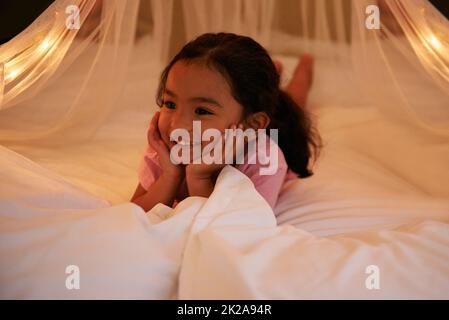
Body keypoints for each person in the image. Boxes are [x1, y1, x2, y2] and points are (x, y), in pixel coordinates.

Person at [131, 32, 320, 213]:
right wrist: (170, 176)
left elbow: (234, 228)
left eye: (202, 111)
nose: (176, 125)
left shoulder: (264, 161)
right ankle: (274, 73)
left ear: (252, 124)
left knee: (294, 100)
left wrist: (200, 178)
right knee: (263, 94)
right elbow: (134, 212)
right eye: (170, 104)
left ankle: (304, 69)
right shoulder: (166, 146)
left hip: (274, 131)